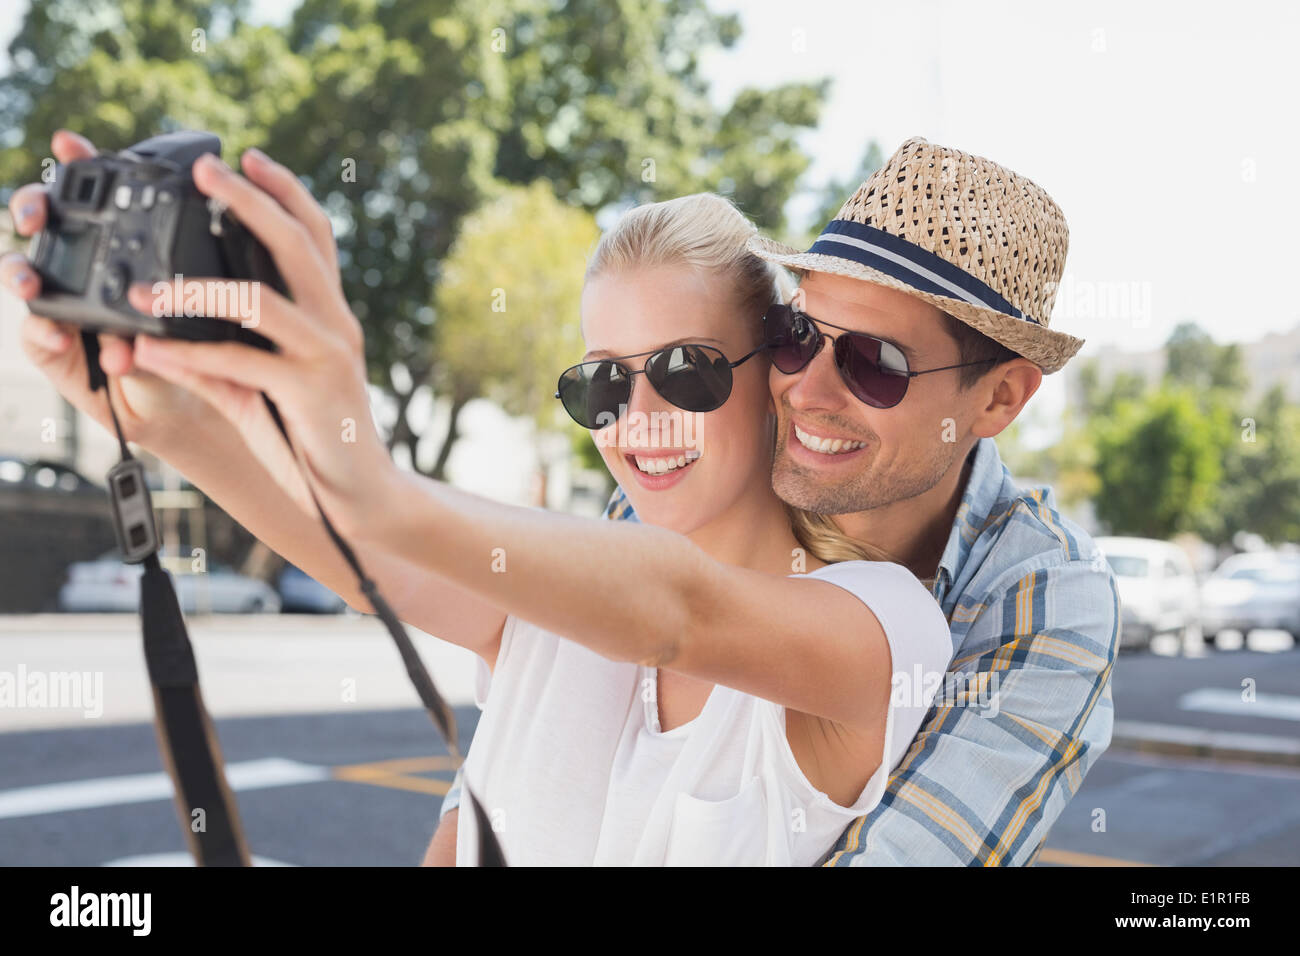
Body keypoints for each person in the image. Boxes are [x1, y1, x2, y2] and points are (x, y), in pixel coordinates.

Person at [4, 135, 955, 866]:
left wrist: (368, 473)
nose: (638, 418)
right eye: (603, 387)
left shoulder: (882, 625)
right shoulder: (549, 605)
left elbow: (678, 611)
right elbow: (349, 541)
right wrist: (153, 409)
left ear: (776, 378)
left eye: (687, 371)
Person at [430, 137, 1122, 866]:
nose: (807, 391)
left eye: (875, 363)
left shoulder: (1044, 593)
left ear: (1000, 396)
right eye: (798, 337)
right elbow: (513, 754)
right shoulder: (691, 484)